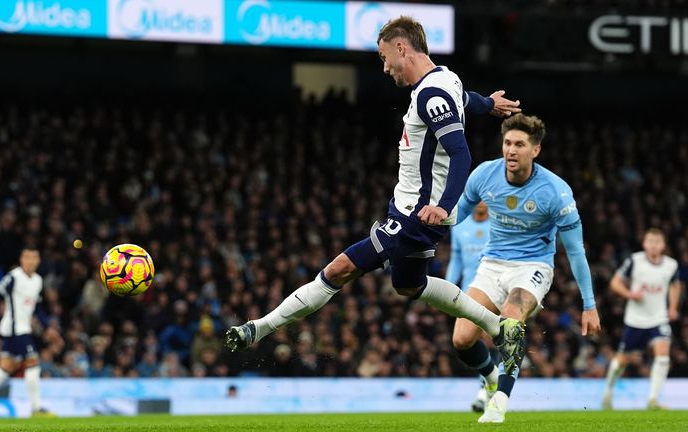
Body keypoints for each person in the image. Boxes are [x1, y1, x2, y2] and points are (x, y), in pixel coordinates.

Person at [225, 16, 526, 376]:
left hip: (414, 215)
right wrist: (489, 104)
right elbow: (466, 100)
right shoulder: (445, 79)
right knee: (409, 284)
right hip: (414, 211)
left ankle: (258, 328)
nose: (384, 68)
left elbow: (461, 154)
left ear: (402, 48)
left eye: (385, 57)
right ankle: (499, 328)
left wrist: (442, 205)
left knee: (338, 270)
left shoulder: (430, 95)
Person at [450, 114, 601, 423]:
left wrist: (589, 305)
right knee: (462, 339)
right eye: (507, 143)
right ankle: (492, 379)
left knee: (510, 323)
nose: (511, 150)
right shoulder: (484, 176)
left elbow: (575, 251)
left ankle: (500, 402)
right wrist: (423, 229)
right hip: (492, 264)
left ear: (536, 150)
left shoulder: (555, 192)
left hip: (532, 266)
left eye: (520, 144)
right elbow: (456, 216)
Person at [0, 246, 57, 418]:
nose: (30, 261)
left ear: (38, 260)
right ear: (22, 260)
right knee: (33, 363)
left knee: (5, 369)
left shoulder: (37, 280)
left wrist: (48, 327)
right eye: (27, 258)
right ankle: (36, 408)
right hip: (15, 330)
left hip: (23, 329)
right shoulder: (14, 277)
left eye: (34, 258)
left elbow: (36, 308)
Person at [602, 228, 681, 410]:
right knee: (621, 361)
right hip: (635, 320)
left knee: (663, 354)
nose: (654, 245)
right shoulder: (634, 260)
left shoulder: (671, 265)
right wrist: (629, 294)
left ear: (663, 245)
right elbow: (615, 282)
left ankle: (653, 400)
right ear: (644, 243)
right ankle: (608, 391)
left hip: (659, 318)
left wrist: (673, 307)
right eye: (650, 241)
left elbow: (675, 285)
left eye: (657, 241)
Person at [444, 202, 493, 412]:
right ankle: (487, 386)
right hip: (468, 294)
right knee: (468, 342)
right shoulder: (460, 226)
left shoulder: (498, 225)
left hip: (494, 291)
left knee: (491, 341)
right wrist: (446, 289)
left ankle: (485, 391)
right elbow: (456, 260)